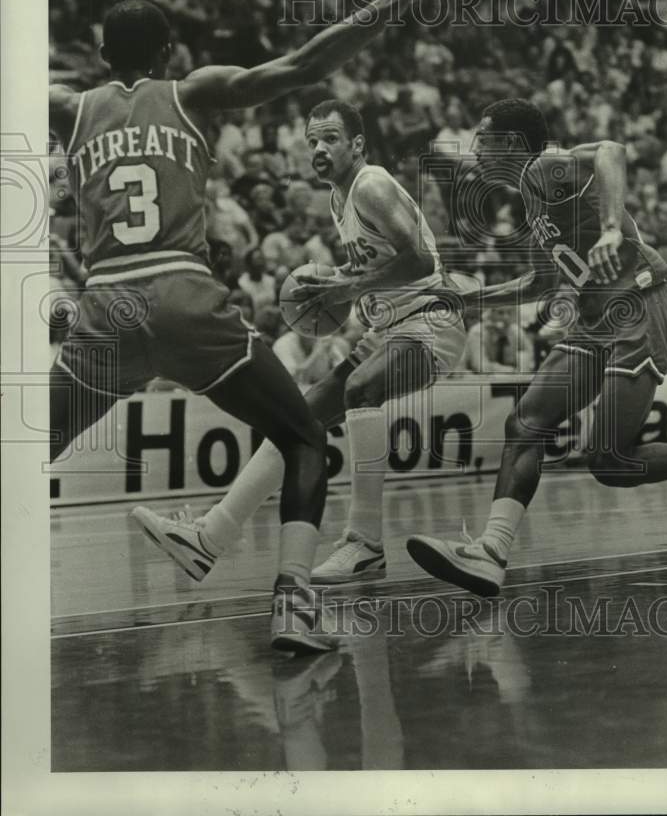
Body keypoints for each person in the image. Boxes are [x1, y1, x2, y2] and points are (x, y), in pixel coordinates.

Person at [48, 0, 466, 651]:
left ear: (99, 55)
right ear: (169, 53)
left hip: (107, 305)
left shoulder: (69, 108)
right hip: (183, 298)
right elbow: (304, 64)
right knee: (303, 436)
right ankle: (293, 602)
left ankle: (214, 538)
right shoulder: (193, 91)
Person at [138, 99, 468, 587]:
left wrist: (348, 288)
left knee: (360, 390)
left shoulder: (370, 184)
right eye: (312, 139)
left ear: (357, 144)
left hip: (431, 322)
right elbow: (379, 269)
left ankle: (366, 542)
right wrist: (345, 280)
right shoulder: (338, 199)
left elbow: (419, 262)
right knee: (301, 422)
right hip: (390, 328)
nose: (318, 148)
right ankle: (208, 537)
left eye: (330, 138)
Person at [407, 97, 667, 596]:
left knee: (609, 461)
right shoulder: (530, 204)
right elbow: (544, 283)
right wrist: (475, 299)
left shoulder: (546, 166)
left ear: (510, 143)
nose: (475, 149)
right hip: (596, 320)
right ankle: (491, 551)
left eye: (482, 138)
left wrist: (613, 226)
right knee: (526, 420)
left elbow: (611, 150)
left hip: (638, 303)